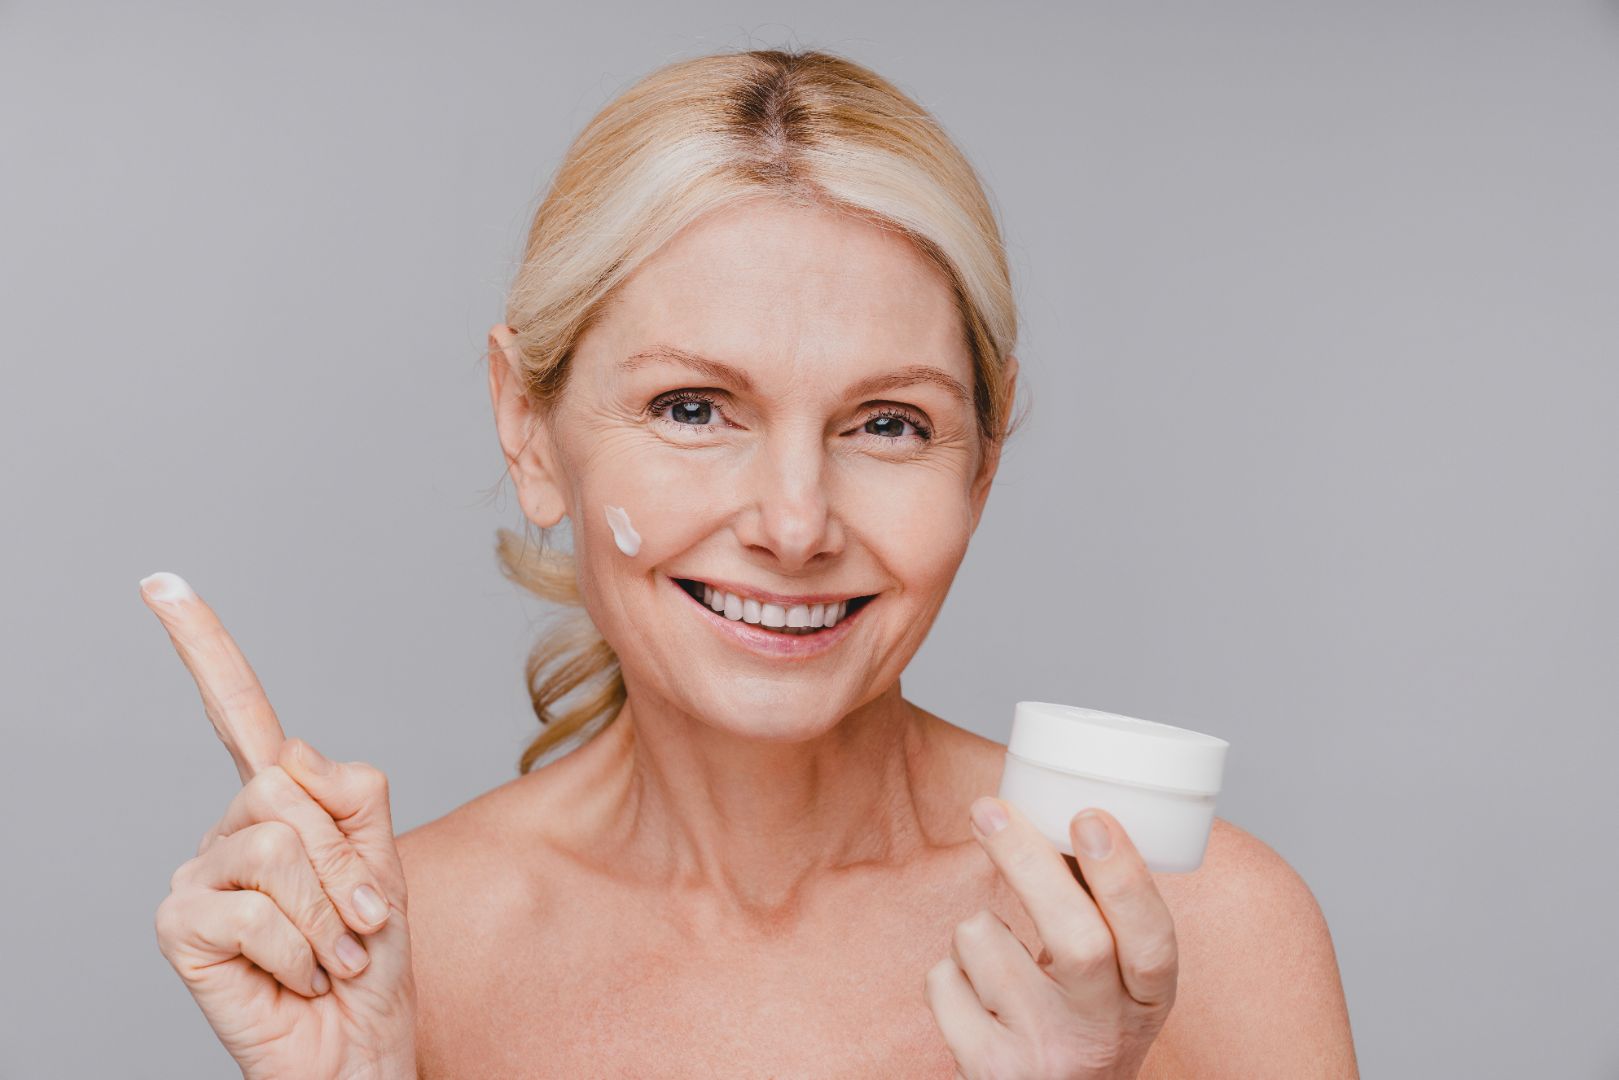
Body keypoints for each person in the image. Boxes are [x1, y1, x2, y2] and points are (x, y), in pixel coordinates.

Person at [146, 48, 1358, 1078]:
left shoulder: (1192, 933)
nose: (793, 524)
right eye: (691, 408)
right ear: (527, 429)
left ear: (980, 466)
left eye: (887, 424)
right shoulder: (401, 951)